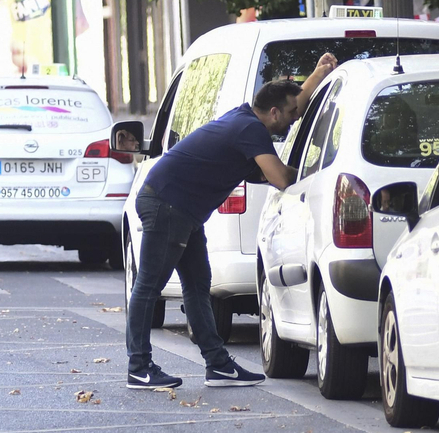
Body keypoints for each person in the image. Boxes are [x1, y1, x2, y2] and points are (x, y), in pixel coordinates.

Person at [125, 53, 338, 390]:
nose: (294, 121)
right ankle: (139, 367)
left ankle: (218, 365)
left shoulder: (246, 119)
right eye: (291, 116)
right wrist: (318, 174)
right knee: (149, 285)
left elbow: (291, 103)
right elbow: (281, 178)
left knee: (198, 286)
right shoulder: (251, 130)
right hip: (167, 204)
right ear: (272, 114)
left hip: (182, 208)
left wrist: (317, 74)